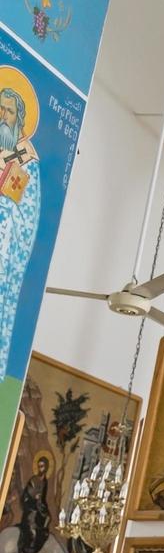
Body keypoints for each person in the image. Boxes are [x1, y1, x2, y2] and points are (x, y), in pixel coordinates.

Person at [0, 80, 42, 374]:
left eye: (9, 111)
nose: (3, 116)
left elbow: (26, 214)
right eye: (0, 108)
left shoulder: (25, 160)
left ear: (21, 119)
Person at [16, 453, 49, 553]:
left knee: (47, 518)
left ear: (47, 467)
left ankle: (35, 544)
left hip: (39, 506)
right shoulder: (34, 479)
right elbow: (27, 493)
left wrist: (42, 504)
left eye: (43, 466)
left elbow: (43, 498)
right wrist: (34, 496)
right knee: (32, 528)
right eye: (39, 466)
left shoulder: (45, 481)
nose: (41, 468)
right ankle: (27, 546)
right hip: (31, 507)